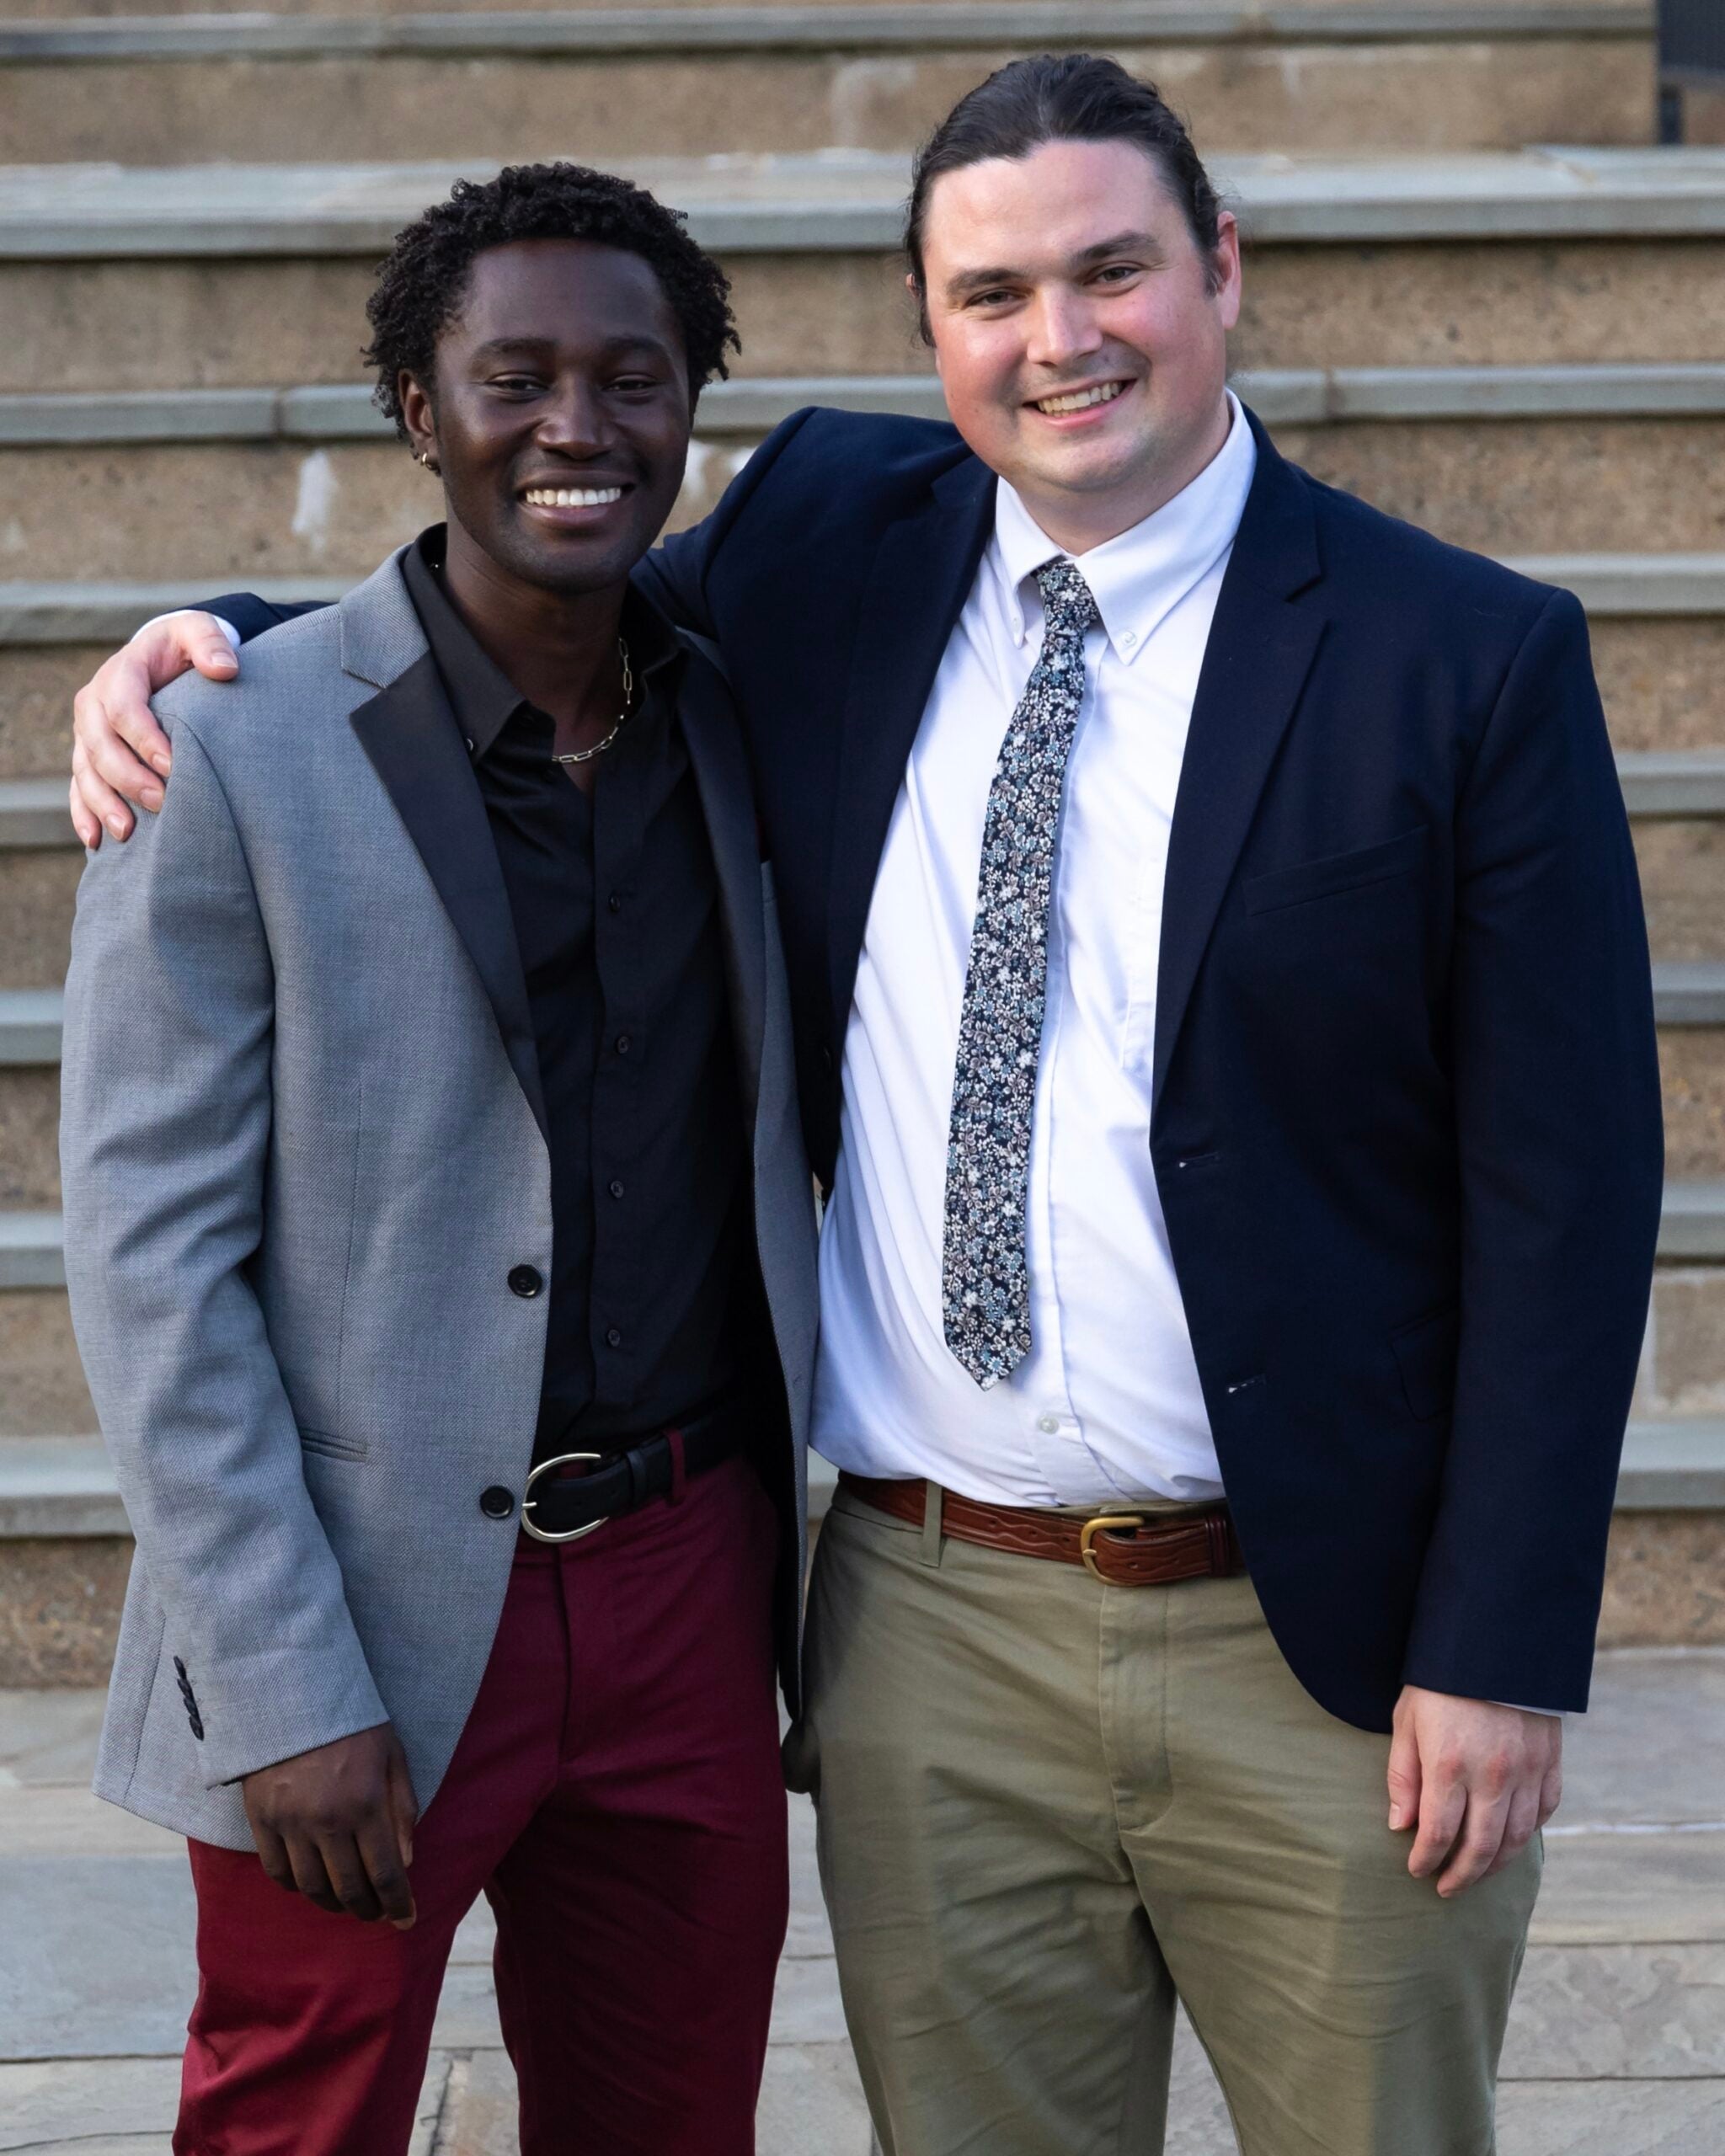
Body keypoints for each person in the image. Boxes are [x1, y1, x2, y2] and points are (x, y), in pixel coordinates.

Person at [69, 57, 1664, 2156]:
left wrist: (1499, 1642)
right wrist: (222, 657)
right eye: (991, 292)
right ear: (928, 326)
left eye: (1111, 270)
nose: (1059, 337)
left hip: (1319, 1644)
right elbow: (509, 588)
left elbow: (1569, 1189)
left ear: (1221, 268)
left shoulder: (1462, 654)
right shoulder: (839, 537)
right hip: (930, 1620)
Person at [59, 163, 816, 2156]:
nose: (578, 426)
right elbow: (148, 1261)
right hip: (353, 1597)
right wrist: (279, 1677)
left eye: (632, 379)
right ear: (420, 409)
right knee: (293, 2124)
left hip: (685, 1575)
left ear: (689, 407)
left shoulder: (742, 711)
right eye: (515, 378)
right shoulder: (227, 752)